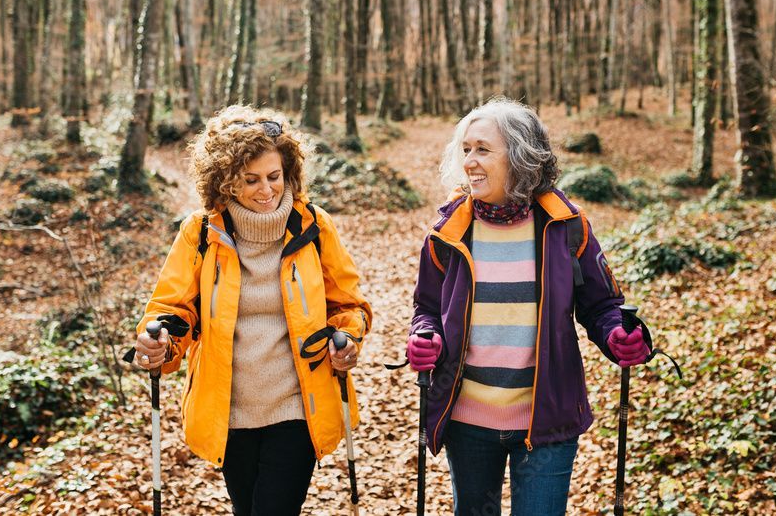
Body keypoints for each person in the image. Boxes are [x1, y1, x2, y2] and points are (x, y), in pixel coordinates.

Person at [405, 97, 651, 515]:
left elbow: (602, 303)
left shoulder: (566, 227)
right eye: (466, 149)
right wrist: (425, 337)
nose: (470, 161)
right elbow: (426, 308)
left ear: (520, 155)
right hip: (467, 420)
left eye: (483, 149)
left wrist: (618, 335)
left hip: (546, 420)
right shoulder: (449, 231)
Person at [132, 105, 372, 516]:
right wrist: (161, 342)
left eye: (274, 177)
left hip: (298, 403)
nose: (266, 190)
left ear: (289, 172)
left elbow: (349, 304)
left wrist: (347, 338)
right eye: (251, 180)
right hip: (230, 410)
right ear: (226, 181)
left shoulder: (313, 227)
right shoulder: (201, 233)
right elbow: (174, 310)